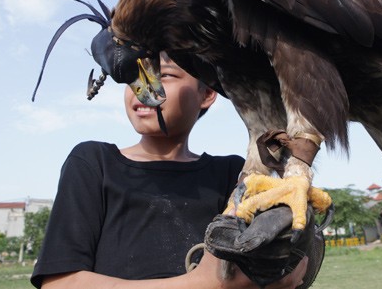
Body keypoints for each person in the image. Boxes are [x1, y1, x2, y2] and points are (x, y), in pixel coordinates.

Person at [31, 52, 308, 289]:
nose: (143, 85)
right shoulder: (93, 162)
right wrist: (204, 283)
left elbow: (278, 270)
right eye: (132, 73)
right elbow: (59, 283)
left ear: (208, 92)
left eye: (164, 75)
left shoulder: (234, 173)